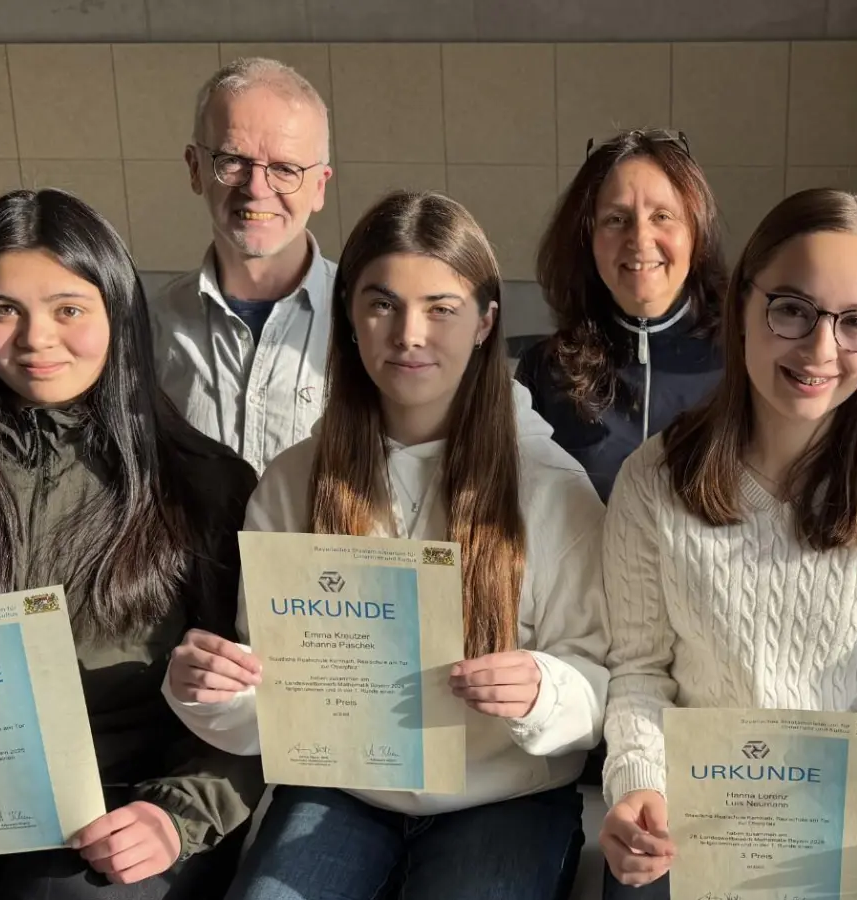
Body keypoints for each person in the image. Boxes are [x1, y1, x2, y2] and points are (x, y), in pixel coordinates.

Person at [162, 191, 610, 900]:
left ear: (486, 321)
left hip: (502, 799)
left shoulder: (553, 490)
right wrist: (209, 694)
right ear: (348, 317)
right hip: (341, 792)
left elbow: (598, 679)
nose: (409, 333)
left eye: (441, 307)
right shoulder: (292, 484)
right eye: (381, 304)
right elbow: (269, 701)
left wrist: (543, 689)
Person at [0, 189, 260, 898]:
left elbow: (255, 697)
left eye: (68, 309)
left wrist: (176, 815)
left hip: (122, 805)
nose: (36, 340)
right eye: (3, 310)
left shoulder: (204, 485)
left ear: (117, 314)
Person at [600, 189, 857, 900]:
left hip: (848, 835)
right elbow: (639, 672)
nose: (821, 350)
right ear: (743, 304)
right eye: (792, 310)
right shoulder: (653, 480)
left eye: (856, 322)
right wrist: (638, 785)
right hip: (692, 831)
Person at [516, 129, 727, 501]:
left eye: (662, 216)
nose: (640, 238)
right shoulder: (543, 373)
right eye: (616, 219)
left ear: (696, 232)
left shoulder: (745, 362)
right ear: (587, 237)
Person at [152, 57, 336, 474]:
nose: (257, 188)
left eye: (285, 169)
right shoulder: (149, 330)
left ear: (319, 186)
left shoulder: (370, 325)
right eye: (232, 161)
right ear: (195, 168)